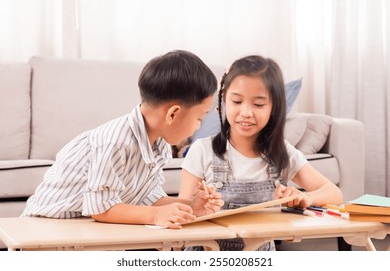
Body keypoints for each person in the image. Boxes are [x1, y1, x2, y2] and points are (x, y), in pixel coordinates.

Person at [22, 50, 224, 229]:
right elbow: (101, 208)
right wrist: (155, 216)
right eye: (199, 118)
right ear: (172, 114)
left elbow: (147, 198)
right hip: (46, 226)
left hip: (81, 228)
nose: (198, 126)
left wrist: (190, 207)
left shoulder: (159, 144)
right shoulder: (115, 141)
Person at [179, 55, 343, 250]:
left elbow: (334, 193)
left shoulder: (282, 153)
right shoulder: (203, 150)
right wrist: (197, 207)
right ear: (223, 100)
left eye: (258, 105)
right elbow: (181, 215)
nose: (246, 112)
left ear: (273, 107)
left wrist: (306, 198)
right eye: (237, 101)